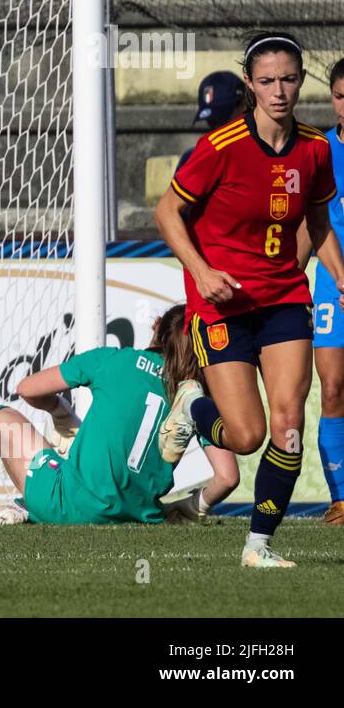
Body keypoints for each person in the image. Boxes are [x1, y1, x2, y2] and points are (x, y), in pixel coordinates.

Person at [155, 31, 344, 567]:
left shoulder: (313, 148)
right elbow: (168, 213)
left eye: (288, 79)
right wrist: (201, 269)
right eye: (267, 81)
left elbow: (318, 220)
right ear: (250, 84)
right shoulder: (219, 148)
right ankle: (194, 408)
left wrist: (341, 276)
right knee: (245, 436)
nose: (279, 91)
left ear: (301, 80)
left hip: (284, 297)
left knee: (288, 426)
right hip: (221, 305)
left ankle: (258, 546)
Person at [0, 305, 199, 526]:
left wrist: (60, 412)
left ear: (156, 325)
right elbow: (227, 476)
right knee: (71, 462)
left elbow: (27, 388)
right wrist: (192, 505)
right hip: (139, 517)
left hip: (72, 506)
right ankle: (23, 508)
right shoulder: (194, 393)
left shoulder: (113, 360)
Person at [166, 70, 248, 521]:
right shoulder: (197, 157)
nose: (215, 130)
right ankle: (161, 502)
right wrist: (202, 270)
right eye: (209, 120)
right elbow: (172, 218)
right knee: (238, 427)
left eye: (223, 117)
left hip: (265, 300)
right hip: (212, 303)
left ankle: (192, 505)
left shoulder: (271, 154)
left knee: (260, 423)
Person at [309, 58, 344, 524]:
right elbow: (307, 222)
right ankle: (341, 497)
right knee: (333, 387)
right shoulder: (318, 152)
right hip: (330, 286)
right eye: (340, 96)